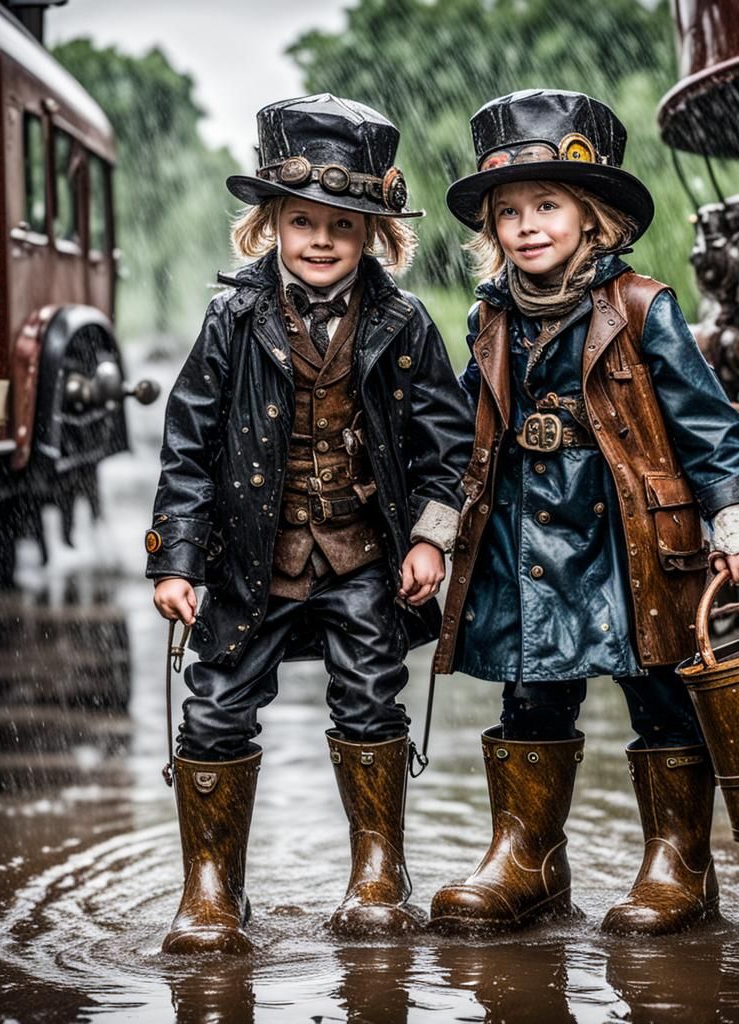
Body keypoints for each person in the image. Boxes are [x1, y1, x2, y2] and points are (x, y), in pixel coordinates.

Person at [430, 89, 739, 936]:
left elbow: (710, 427)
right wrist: (437, 525)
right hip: (526, 539)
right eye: (508, 211)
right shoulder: (490, 315)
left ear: (595, 218)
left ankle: (680, 866)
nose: (527, 225)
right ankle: (529, 858)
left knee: (660, 693)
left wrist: (735, 526)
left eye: (548, 204)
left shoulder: (642, 306)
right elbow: (467, 427)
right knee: (532, 696)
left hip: (632, 540)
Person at [145, 94, 469, 953]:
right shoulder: (231, 319)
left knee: (371, 698)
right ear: (270, 227)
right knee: (213, 706)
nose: (322, 241)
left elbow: (449, 447)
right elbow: (187, 446)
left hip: (363, 556)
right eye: (303, 223)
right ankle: (212, 890)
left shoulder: (403, 323)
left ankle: (377, 874)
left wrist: (432, 538)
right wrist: (176, 561)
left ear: (374, 237)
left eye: (343, 226)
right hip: (249, 559)